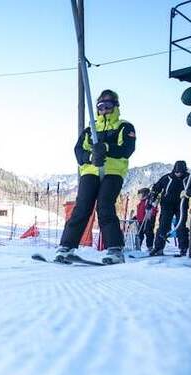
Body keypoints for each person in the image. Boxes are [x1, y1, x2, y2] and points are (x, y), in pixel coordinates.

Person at [56, 90, 136, 264]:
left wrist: (107, 148)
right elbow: (78, 151)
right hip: (91, 171)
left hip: (113, 172)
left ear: (116, 107)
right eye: (101, 106)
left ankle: (115, 248)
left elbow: (127, 149)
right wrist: (90, 157)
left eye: (108, 106)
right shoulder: (90, 129)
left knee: (105, 206)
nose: (104, 110)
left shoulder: (125, 126)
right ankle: (66, 246)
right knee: (82, 207)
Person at [149, 160, 191, 257]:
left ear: (184, 171)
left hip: (181, 205)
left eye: (181, 172)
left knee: (181, 225)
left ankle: (183, 248)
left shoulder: (189, 178)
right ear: (174, 170)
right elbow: (156, 187)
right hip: (167, 204)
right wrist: (153, 197)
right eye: (177, 172)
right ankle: (158, 247)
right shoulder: (167, 178)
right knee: (163, 224)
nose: (179, 174)